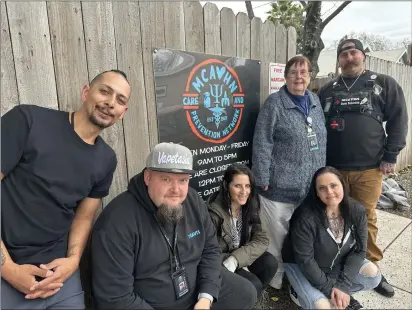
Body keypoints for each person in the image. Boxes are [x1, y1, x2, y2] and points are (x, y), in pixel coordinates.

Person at [1, 69, 131, 309]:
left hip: (58, 277)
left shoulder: (106, 160)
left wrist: (72, 261)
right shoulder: (28, 121)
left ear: (123, 113)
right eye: (105, 91)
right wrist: (7, 269)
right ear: (85, 92)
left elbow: (84, 216)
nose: (110, 103)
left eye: (120, 100)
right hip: (6, 268)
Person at [88, 143, 257, 310]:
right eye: (166, 179)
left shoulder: (193, 200)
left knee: (244, 292)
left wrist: (206, 296)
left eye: (183, 180)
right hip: (150, 304)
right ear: (148, 177)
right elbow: (115, 297)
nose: (175, 189)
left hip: (195, 292)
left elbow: (210, 250)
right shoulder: (117, 221)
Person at [318, 38, 408, 297]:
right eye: (344, 53)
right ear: (338, 60)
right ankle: (339, 261)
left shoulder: (383, 84)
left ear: (363, 56)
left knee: (365, 218)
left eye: (353, 52)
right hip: (332, 170)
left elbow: (399, 120)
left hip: (369, 169)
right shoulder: (327, 90)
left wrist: (391, 155)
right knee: (334, 218)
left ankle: (372, 269)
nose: (349, 57)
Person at [252, 55, 327, 289]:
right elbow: (262, 141)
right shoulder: (274, 103)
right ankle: (276, 274)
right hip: (278, 187)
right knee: (276, 236)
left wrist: (322, 177)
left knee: (303, 234)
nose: (298, 77)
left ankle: (300, 273)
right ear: (285, 76)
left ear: (310, 76)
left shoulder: (314, 101)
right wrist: (262, 177)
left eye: (303, 72)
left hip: (308, 188)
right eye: (293, 72)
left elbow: (321, 141)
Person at [282, 166, 382, 310]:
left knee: (374, 277)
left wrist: (343, 287)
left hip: (337, 262)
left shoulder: (357, 210)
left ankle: (337, 296)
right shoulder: (305, 218)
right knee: (323, 307)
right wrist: (330, 290)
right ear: (316, 193)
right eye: (322, 188)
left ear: (343, 185)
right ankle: (298, 292)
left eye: (334, 185)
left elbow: (360, 250)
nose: (329, 192)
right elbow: (306, 261)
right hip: (301, 266)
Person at [207, 164, 278, 296]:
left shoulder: (251, 205)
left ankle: (248, 298)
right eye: (237, 186)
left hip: (237, 257)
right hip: (222, 262)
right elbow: (209, 252)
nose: (244, 191)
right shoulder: (214, 213)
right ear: (226, 185)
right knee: (253, 284)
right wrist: (233, 260)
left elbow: (261, 239)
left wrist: (237, 259)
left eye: (248, 186)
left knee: (270, 263)